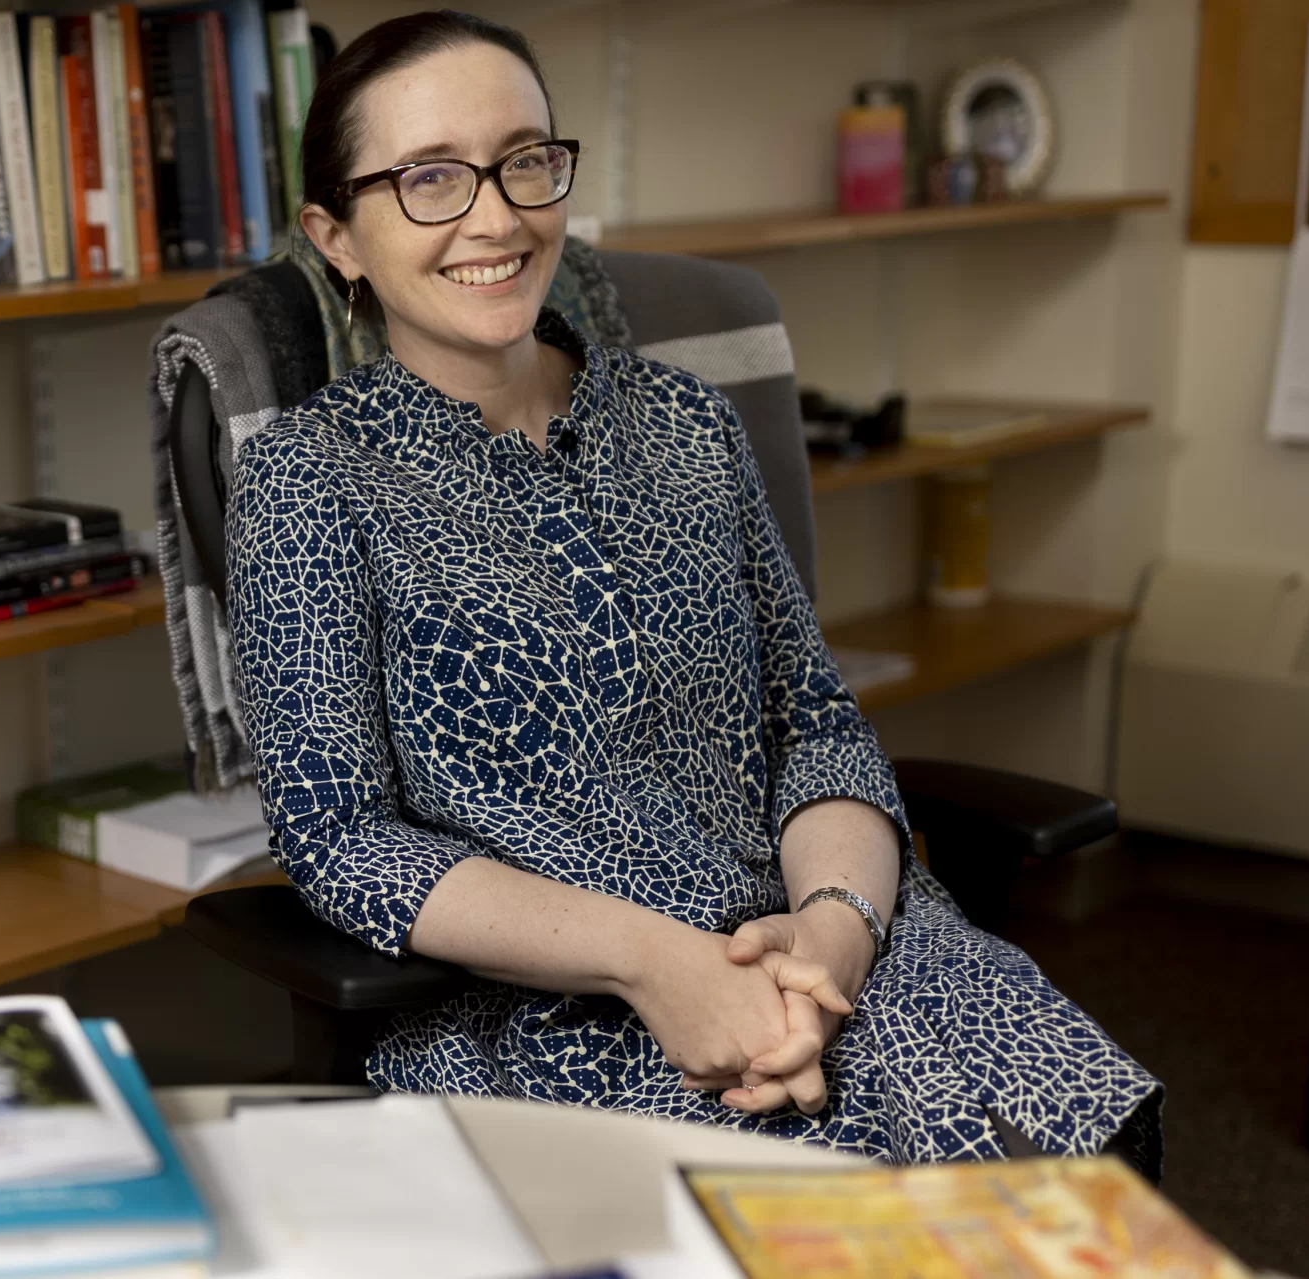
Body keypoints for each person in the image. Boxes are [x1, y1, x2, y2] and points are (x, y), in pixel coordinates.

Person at [226, 9, 1162, 1173]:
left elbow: (812, 726)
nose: (496, 216)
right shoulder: (307, 477)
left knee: (1082, 1174)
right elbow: (340, 839)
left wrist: (832, 939)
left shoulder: (685, 422)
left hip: (829, 941)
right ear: (337, 236)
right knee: (843, 1224)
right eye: (429, 179)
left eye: (524, 160)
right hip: (556, 1012)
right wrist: (654, 964)